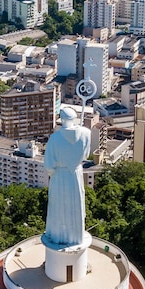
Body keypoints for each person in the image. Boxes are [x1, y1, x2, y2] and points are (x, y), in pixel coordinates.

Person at [43, 106, 92, 248]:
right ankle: (76, 236)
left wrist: (53, 171)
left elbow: (49, 165)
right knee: (75, 204)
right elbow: (86, 155)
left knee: (59, 206)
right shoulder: (86, 133)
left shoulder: (55, 138)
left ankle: (58, 237)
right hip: (75, 173)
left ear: (62, 119)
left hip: (59, 176)